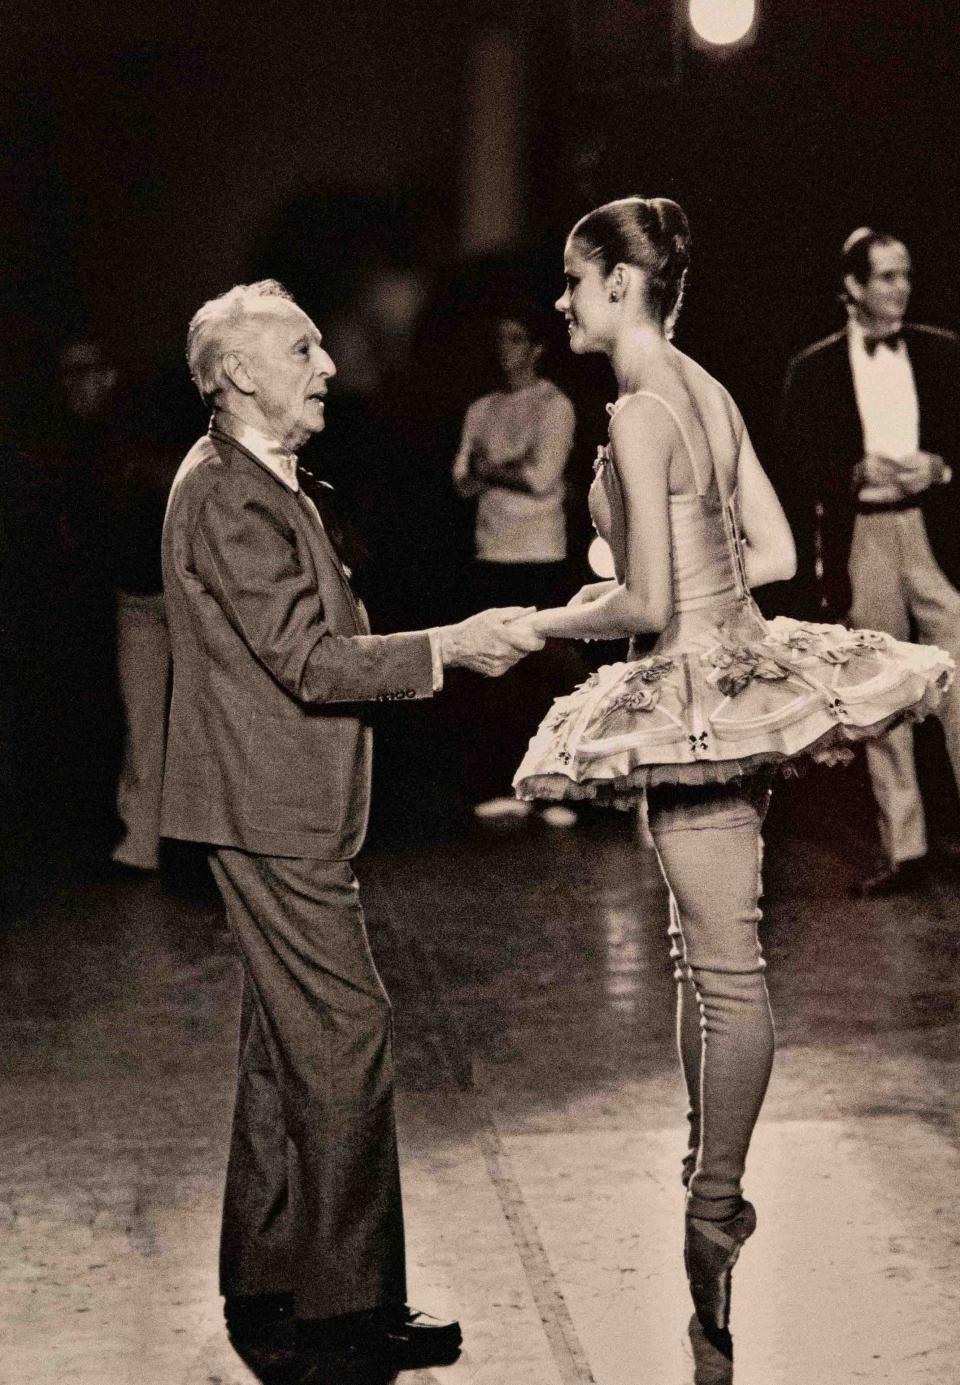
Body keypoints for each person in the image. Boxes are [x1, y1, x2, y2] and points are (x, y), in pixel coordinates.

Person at [506, 198, 951, 1336]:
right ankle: (706, 1178)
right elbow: (775, 550)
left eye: (573, 279)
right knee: (700, 955)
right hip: (723, 689)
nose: (560, 302)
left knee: (727, 963)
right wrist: (708, 613)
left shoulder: (645, 408)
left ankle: (715, 1207)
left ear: (619, 284)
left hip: (692, 699)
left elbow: (648, 600)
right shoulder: (704, 385)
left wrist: (548, 617)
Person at [160, 279, 543, 1378]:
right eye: (302, 348)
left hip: (271, 800)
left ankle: (273, 1277)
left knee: (288, 1045)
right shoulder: (229, 494)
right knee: (346, 1035)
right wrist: (453, 647)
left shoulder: (253, 477)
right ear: (236, 374)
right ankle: (345, 1308)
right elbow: (310, 660)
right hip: (268, 805)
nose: (328, 365)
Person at [778, 229, 960, 896]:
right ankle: (903, 849)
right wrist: (852, 470)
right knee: (883, 693)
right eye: (886, 276)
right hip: (866, 539)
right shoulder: (815, 369)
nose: (901, 287)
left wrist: (940, 465)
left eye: (904, 274)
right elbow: (795, 462)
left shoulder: (943, 354)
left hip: (935, 534)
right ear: (852, 287)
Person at [451, 301, 579, 824]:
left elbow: (541, 477)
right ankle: (503, 783)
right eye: (500, 340)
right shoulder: (481, 409)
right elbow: (462, 479)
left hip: (541, 556)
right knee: (494, 673)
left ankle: (556, 792)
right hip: (492, 554)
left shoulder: (555, 406)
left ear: (537, 349)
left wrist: (494, 469)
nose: (506, 352)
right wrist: (506, 468)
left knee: (548, 672)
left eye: (516, 340)